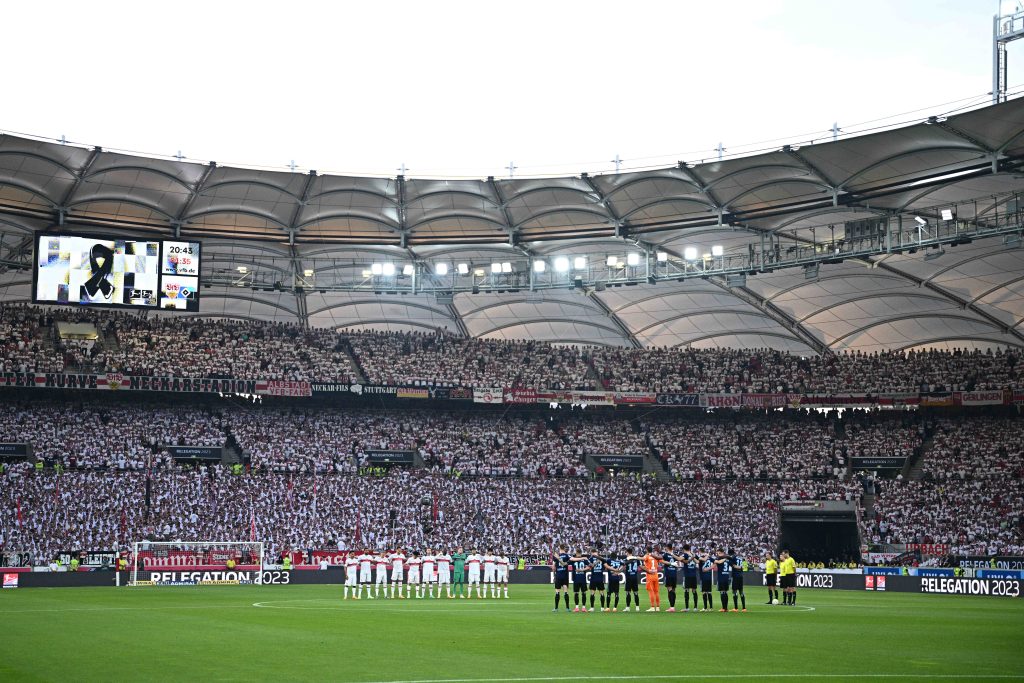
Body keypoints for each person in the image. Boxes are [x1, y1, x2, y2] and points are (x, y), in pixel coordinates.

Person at [642, 546, 662, 612]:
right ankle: (658, 607)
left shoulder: (646, 556)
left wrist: (635, 557)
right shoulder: (655, 556)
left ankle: (652, 607)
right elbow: (662, 560)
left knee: (651, 591)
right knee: (656, 591)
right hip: (656, 575)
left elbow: (643, 560)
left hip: (650, 575)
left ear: (646, 550)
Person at [679, 544, 699, 612]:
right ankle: (695, 607)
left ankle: (687, 608)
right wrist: (692, 557)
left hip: (687, 575)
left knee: (686, 590)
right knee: (694, 590)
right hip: (693, 575)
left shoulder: (685, 555)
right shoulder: (692, 554)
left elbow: (679, 559)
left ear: (684, 549)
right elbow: (698, 561)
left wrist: (683, 561)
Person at [553, 546, 572, 612]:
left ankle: (556, 608)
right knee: (566, 591)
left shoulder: (556, 556)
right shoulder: (567, 556)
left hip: (558, 575)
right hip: (565, 575)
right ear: (564, 548)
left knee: (557, 592)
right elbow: (571, 561)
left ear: (559, 548)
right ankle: (567, 608)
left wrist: (554, 575)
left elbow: (553, 567)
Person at [662, 543, 679, 612]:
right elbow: (678, 564)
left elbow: (662, 561)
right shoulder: (675, 555)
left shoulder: (665, 555)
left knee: (669, 589)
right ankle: (673, 607)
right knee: (673, 590)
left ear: (667, 547)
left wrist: (669, 563)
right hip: (674, 574)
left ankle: (671, 607)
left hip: (668, 574)